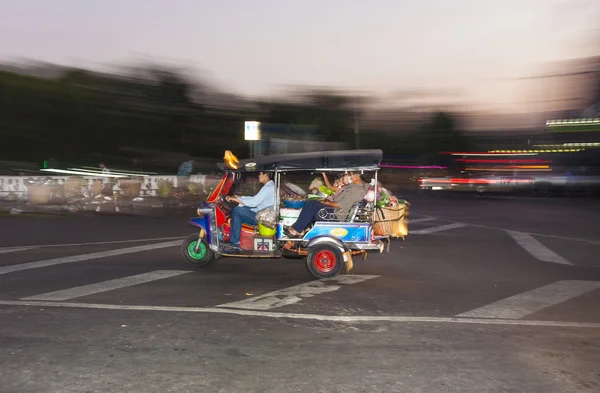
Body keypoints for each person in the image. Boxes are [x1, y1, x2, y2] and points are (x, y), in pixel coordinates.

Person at [283, 172, 368, 238]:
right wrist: (325, 201)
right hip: (336, 210)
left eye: (350, 174)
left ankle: (295, 230)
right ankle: (303, 229)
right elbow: (338, 198)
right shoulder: (353, 186)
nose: (349, 176)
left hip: (338, 215)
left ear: (356, 175)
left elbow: (341, 205)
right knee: (312, 203)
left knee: (312, 205)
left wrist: (327, 202)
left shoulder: (357, 190)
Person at [223, 172, 275, 252]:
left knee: (237, 211)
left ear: (266, 175)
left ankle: (235, 243)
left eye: (260, 174)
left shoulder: (268, 188)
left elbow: (254, 202)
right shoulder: (270, 186)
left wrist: (235, 199)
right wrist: (241, 197)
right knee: (238, 210)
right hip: (262, 214)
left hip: (261, 218)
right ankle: (233, 239)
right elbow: (255, 198)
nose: (258, 176)